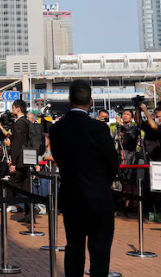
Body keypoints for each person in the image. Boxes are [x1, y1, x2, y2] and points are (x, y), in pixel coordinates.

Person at [50, 80, 119, 277]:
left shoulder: (57, 129)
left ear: (69, 100)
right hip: (98, 196)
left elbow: (59, 158)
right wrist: (102, 181)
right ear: (91, 101)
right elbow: (113, 162)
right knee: (100, 249)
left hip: (71, 195)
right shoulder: (99, 128)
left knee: (74, 246)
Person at [7, 99, 31, 217]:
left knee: (13, 184)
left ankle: (32, 205)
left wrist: (13, 162)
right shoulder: (27, 122)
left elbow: (17, 144)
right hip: (28, 158)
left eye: (13, 108)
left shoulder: (19, 123)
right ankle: (29, 215)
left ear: (18, 109)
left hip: (20, 159)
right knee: (25, 186)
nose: (12, 110)